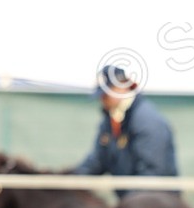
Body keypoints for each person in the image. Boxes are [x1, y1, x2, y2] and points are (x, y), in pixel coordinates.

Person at [74, 65, 179, 197]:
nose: (102, 99)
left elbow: (153, 173)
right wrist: (69, 180)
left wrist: (126, 206)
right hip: (133, 206)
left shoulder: (147, 121)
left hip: (157, 206)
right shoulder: (110, 121)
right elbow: (97, 161)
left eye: (106, 93)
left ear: (122, 85)